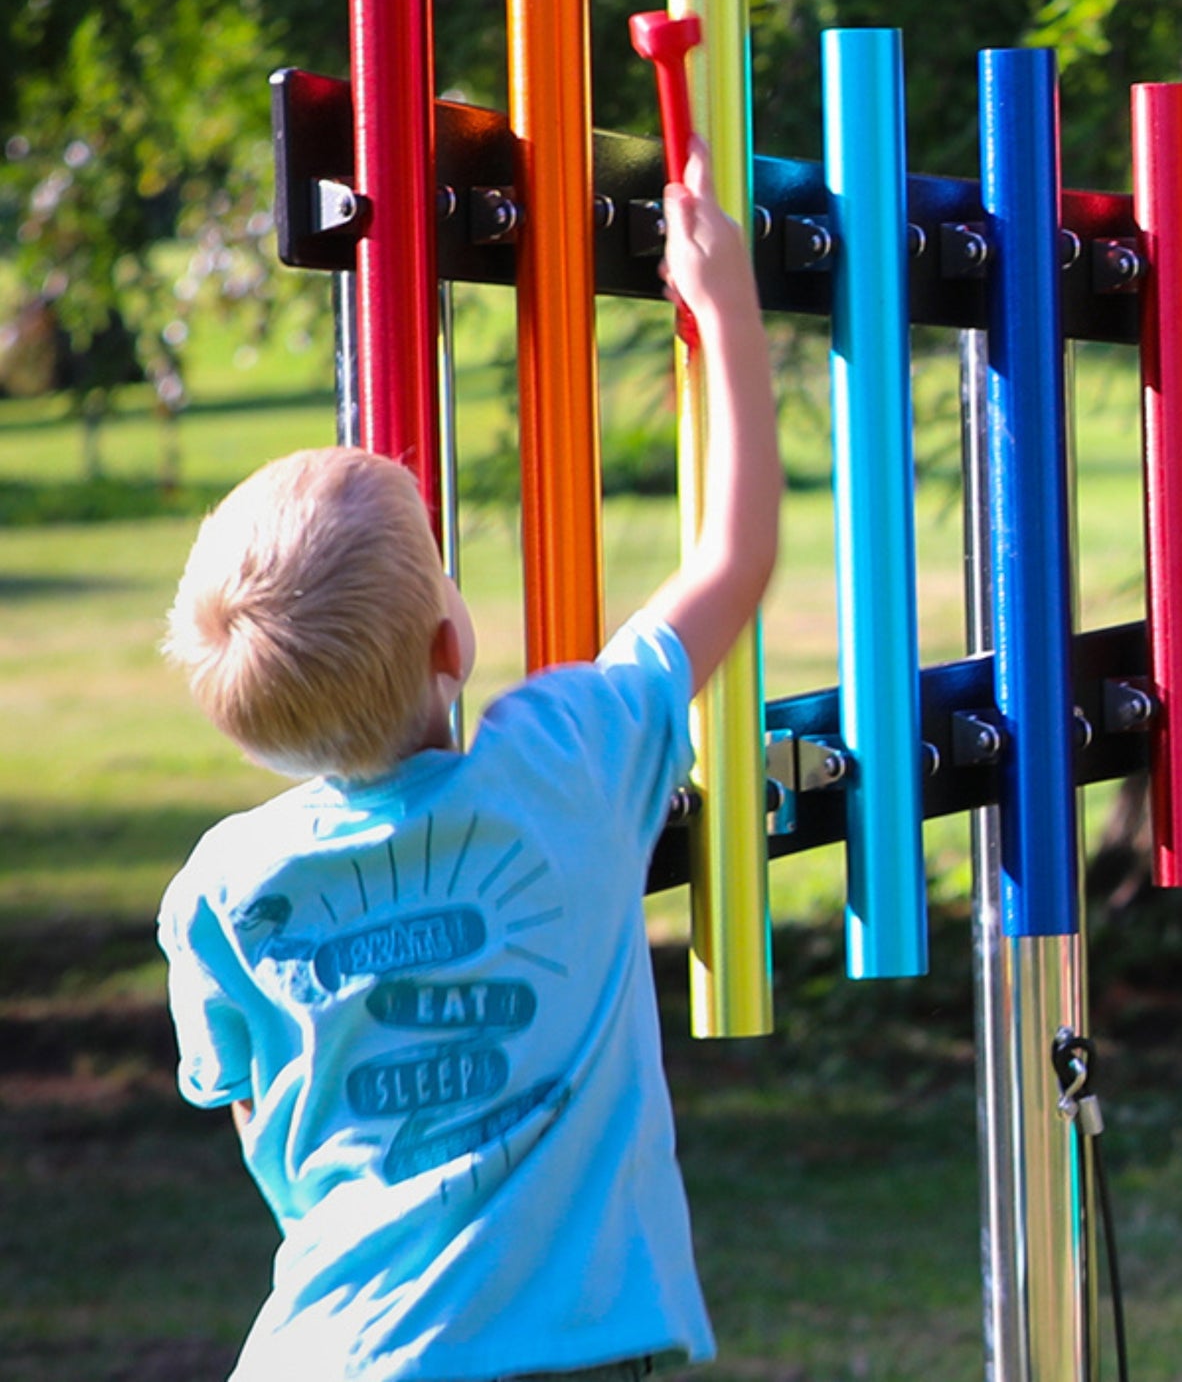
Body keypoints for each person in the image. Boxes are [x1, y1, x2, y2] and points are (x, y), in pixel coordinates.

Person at [157, 138, 781, 1382]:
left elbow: (259, 1126)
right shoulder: (567, 761)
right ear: (456, 638)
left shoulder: (221, 889)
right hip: (564, 1348)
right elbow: (735, 558)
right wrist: (727, 308)